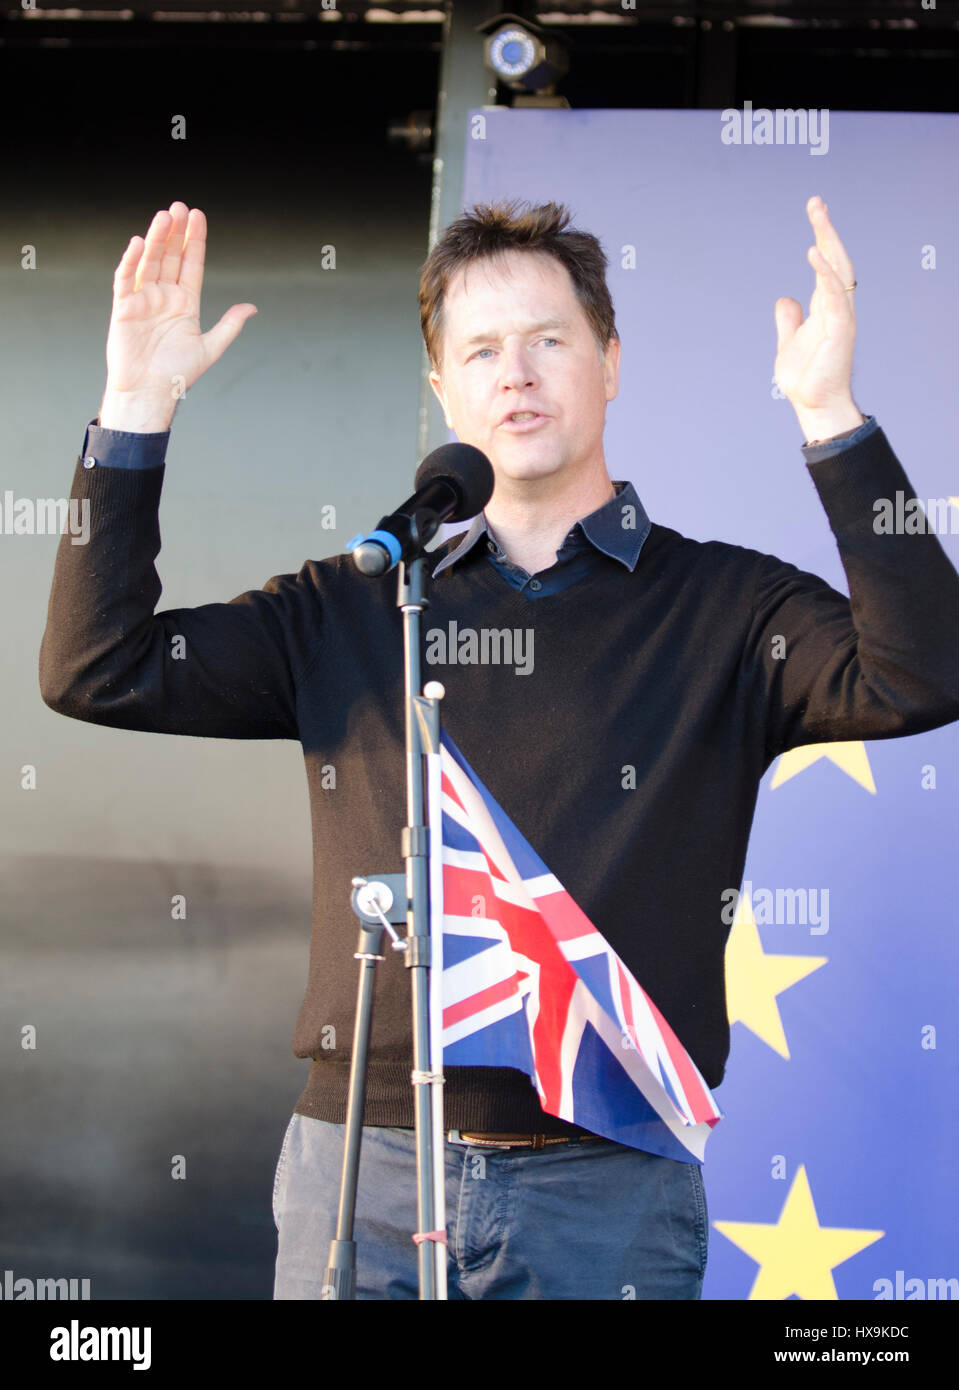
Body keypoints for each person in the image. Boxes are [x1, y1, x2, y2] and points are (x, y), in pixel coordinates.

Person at [40, 197, 959, 1301]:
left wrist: (829, 418)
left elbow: (922, 675)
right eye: (480, 350)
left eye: (548, 340)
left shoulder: (727, 605)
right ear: (444, 391)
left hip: (604, 1187)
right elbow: (98, 666)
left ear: (609, 362)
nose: (515, 373)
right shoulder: (356, 598)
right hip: (363, 1166)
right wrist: (135, 407)